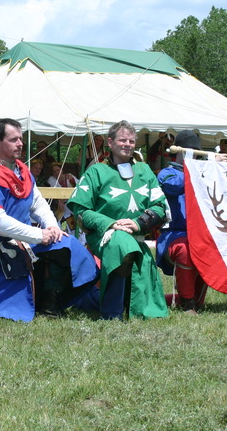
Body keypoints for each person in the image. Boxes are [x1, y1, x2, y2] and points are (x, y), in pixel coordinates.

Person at [0, 118, 98, 321]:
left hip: (25, 241)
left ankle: (50, 305)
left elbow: (38, 203)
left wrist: (52, 226)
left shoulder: (23, 171)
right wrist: (38, 235)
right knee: (9, 306)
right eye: (13, 139)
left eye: (20, 139)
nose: (20, 143)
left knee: (66, 243)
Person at [67, 120, 169, 320]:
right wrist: (111, 224)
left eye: (131, 141)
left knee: (130, 250)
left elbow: (160, 206)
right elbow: (80, 210)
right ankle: (112, 313)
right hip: (104, 235)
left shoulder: (144, 170)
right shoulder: (96, 171)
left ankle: (117, 305)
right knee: (121, 244)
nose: (127, 144)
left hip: (136, 235)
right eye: (122, 140)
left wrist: (138, 223)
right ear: (110, 142)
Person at [156, 130, 207, 314]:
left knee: (212, 248)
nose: (193, 155)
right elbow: (174, 186)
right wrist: (200, 171)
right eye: (189, 150)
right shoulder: (167, 173)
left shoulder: (203, 173)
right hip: (173, 235)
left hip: (200, 234)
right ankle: (187, 304)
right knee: (186, 249)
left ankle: (188, 300)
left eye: (196, 151)